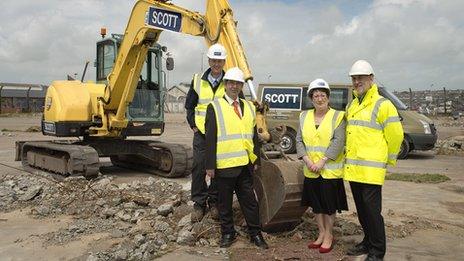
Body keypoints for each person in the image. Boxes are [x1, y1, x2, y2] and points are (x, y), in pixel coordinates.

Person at [344, 60, 404, 261]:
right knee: (362, 211)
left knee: (372, 212)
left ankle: (378, 252)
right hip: (354, 170)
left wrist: (389, 160)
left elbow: (396, 136)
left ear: (371, 78)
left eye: (360, 77)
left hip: (371, 171)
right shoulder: (352, 104)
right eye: (354, 78)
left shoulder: (383, 105)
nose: (357, 81)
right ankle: (367, 242)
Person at [204, 67, 268, 249]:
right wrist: (210, 165)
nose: (234, 86)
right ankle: (227, 233)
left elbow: (253, 136)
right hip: (224, 165)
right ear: (225, 84)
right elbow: (210, 138)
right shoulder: (214, 107)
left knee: (249, 202)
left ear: (241, 86)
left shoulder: (248, 106)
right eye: (231, 83)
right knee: (224, 203)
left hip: (245, 164)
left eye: (238, 83)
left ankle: (255, 234)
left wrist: (255, 160)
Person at [296, 78, 348, 254]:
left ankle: (329, 236)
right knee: (316, 206)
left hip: (329, 171)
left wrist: (322, 160)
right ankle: (321, 233)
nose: (319, 98)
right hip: (310, 170)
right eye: (316, 95)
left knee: (329, 206)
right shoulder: (303, 116)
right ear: (311, 98)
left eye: (322, 95)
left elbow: (338, 141)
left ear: (328, 97)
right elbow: (299, 140)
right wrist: (308, 160)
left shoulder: (338, 116)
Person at [184, 44, 227, 222]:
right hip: (201, 133)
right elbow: (189, 106)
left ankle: (214, 202)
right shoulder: (197, 80)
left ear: (224, 61)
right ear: (209, 60)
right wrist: (193, 125)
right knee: (199, 166)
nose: (216, 64)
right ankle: (199, 203)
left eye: (219, 61)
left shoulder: (230, 81)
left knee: (218, 167)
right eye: (213, 60)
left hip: (221, 134)